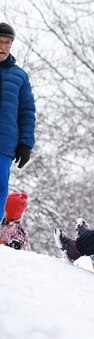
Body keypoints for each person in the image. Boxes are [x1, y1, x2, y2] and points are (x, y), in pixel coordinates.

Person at [0, 22, 36, 217]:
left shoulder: (19, 76)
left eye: (8, 43)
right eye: (0, 41)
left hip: (4, 146)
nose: (3, 47)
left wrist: (25, 143)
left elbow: (27, 111)